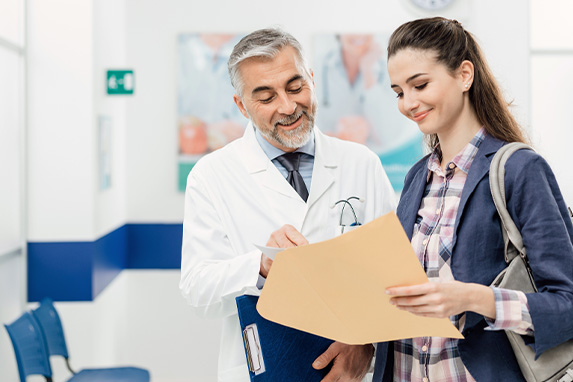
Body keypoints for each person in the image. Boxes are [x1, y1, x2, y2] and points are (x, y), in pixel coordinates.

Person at [179, 28, 397, 382]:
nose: (287, 106)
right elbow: (197, 290)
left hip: (352, 371)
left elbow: (393, 275)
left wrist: (366, 344)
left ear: (311, 78)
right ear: (241, 105)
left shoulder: (361, 163)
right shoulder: (211, 176)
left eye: (295, 87)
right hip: (265, 366)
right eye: (265, 97)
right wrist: (260, 267)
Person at [372, 17, 573, 381]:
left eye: (420, 84)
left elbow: (567, 305)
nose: (409, 103)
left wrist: (476, 299)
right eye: (400, 92)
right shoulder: (418, 177)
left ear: (465, 75)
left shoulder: (520, 169)